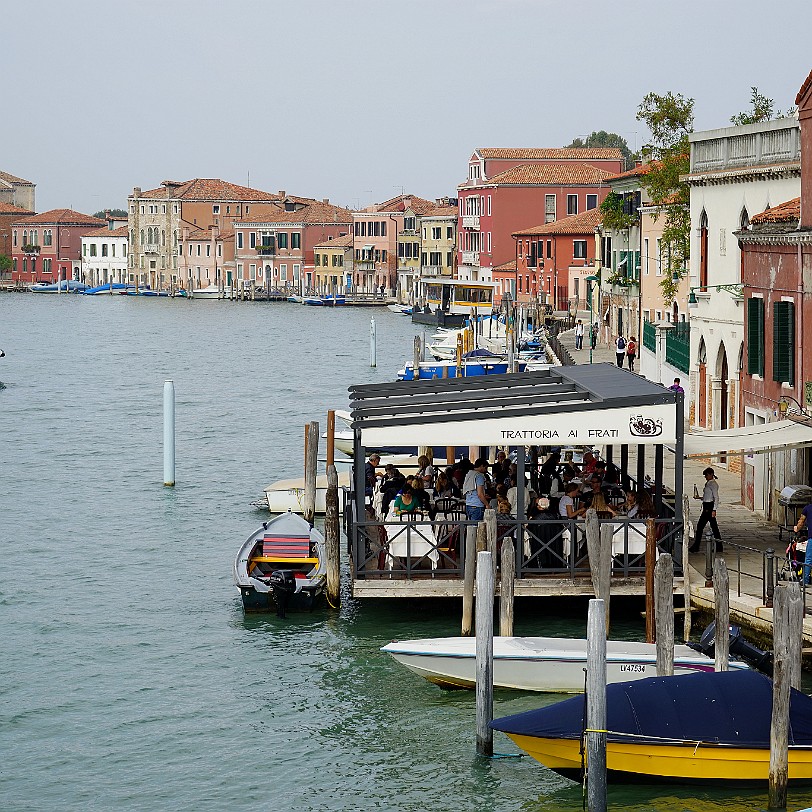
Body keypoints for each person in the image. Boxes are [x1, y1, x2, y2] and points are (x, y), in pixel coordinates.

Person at [690, 467, 722, 552]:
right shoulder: (708, 483)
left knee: (700, 526)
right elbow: (707, 497)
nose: (706, 477)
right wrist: (700, 498)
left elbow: (716, 497)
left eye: (706, 475)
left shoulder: (713, 484)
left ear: (711, 474)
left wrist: (714, 510)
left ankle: (696, 546)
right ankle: (719, 546)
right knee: (714, 527)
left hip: (709, 508)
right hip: (706, 505)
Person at [462, 457, 489, 522]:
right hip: (477, 505)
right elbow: (480, 494)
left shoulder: (469, 474)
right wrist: (487, 504)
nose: (486, 470)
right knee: (476, 528)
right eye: (485, 468)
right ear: (482, 466)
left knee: (471, 527)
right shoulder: (479, 476)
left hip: (468, 504)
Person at [794, 501, 812, 584]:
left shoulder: (807, 508)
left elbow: (801, 522)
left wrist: (796, 528)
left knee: (808, 559)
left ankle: (805, 580)